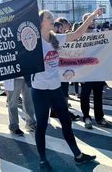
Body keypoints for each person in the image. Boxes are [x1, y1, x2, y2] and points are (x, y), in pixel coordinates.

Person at [31, 9, 102, 171]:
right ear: (41, 22)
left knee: (66, 123)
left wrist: (90, 17)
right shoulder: (33, 42)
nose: (52, 19)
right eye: (49, 17)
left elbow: (77, 34)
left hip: (55, 89)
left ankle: (78, 156)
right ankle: (42, 160)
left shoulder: (57, 38)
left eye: (51, 17)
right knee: (41, 126)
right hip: (40, 90)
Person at [79, 14, 110, 129]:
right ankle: (86, 117)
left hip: (97, 70)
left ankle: (99, 117)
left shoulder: (98, 34)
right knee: (85, 95)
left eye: (93, 20)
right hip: (84, 71)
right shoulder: (79, 35)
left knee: (98, 95)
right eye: (89, 20)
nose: (92, 22)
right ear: (84, 21)